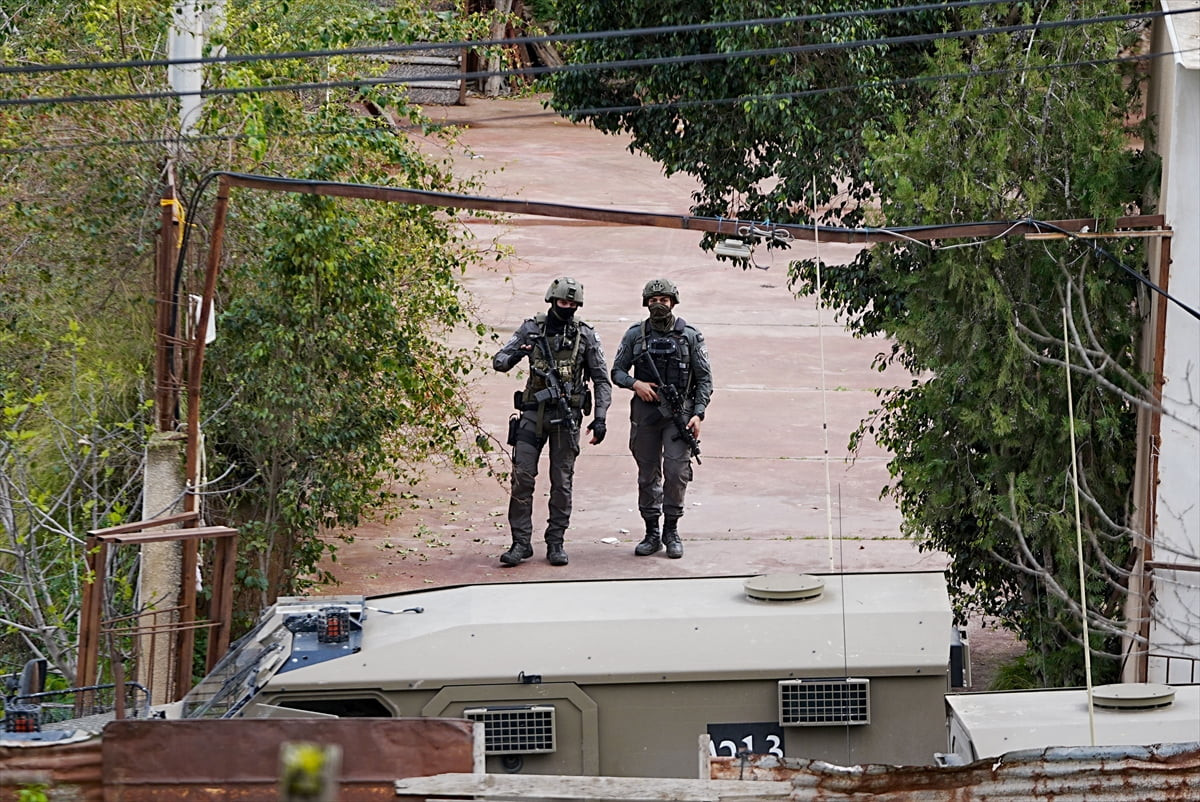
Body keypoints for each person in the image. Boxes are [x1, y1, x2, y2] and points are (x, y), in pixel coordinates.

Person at [493, 277, 612, 567]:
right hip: (533, 413)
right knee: (522, 478)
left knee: (562, 482)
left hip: (566, 418)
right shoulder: (531, 329)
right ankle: (521, 542)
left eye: (572, 304)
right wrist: (519, 353)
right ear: (552, 301)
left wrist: (600, 418)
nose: (567, 308)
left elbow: (601, 379)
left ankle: (555, 542)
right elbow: (499, 360)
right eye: (562, 302)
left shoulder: (585, 335)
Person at [610, 278, 712, 559]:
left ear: (673, 303)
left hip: (679, 415)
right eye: (653, 301)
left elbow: (704, 379)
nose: (658, 305)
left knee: (676, 472)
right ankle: (652, 532)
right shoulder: (635, 335)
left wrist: (698, 413)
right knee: (647, 474)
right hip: (646, 413)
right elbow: (616, 371)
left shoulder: (690, 336)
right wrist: (635, 384)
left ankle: (671, 530)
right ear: (646, 303)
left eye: (664, 300)